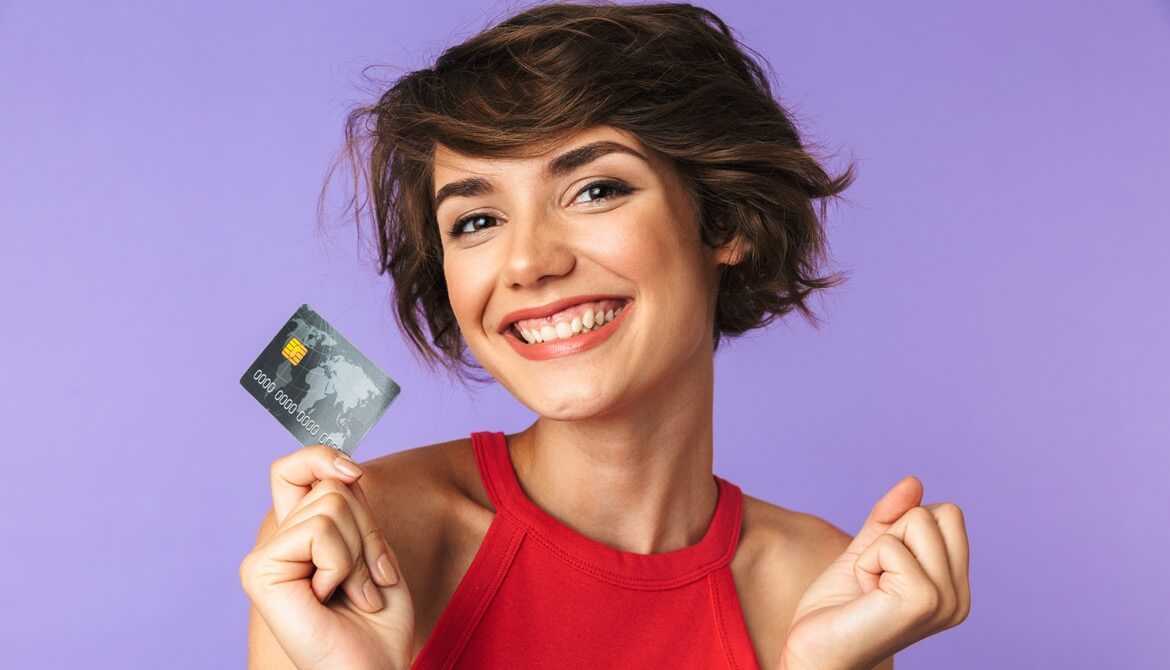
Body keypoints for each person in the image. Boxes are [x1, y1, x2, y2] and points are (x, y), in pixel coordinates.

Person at [239, 2, 971, 669]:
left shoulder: (820, 584)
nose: (528, 262)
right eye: (477, 220)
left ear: (726, 222)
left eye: (595, 189)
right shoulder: (359, 542)